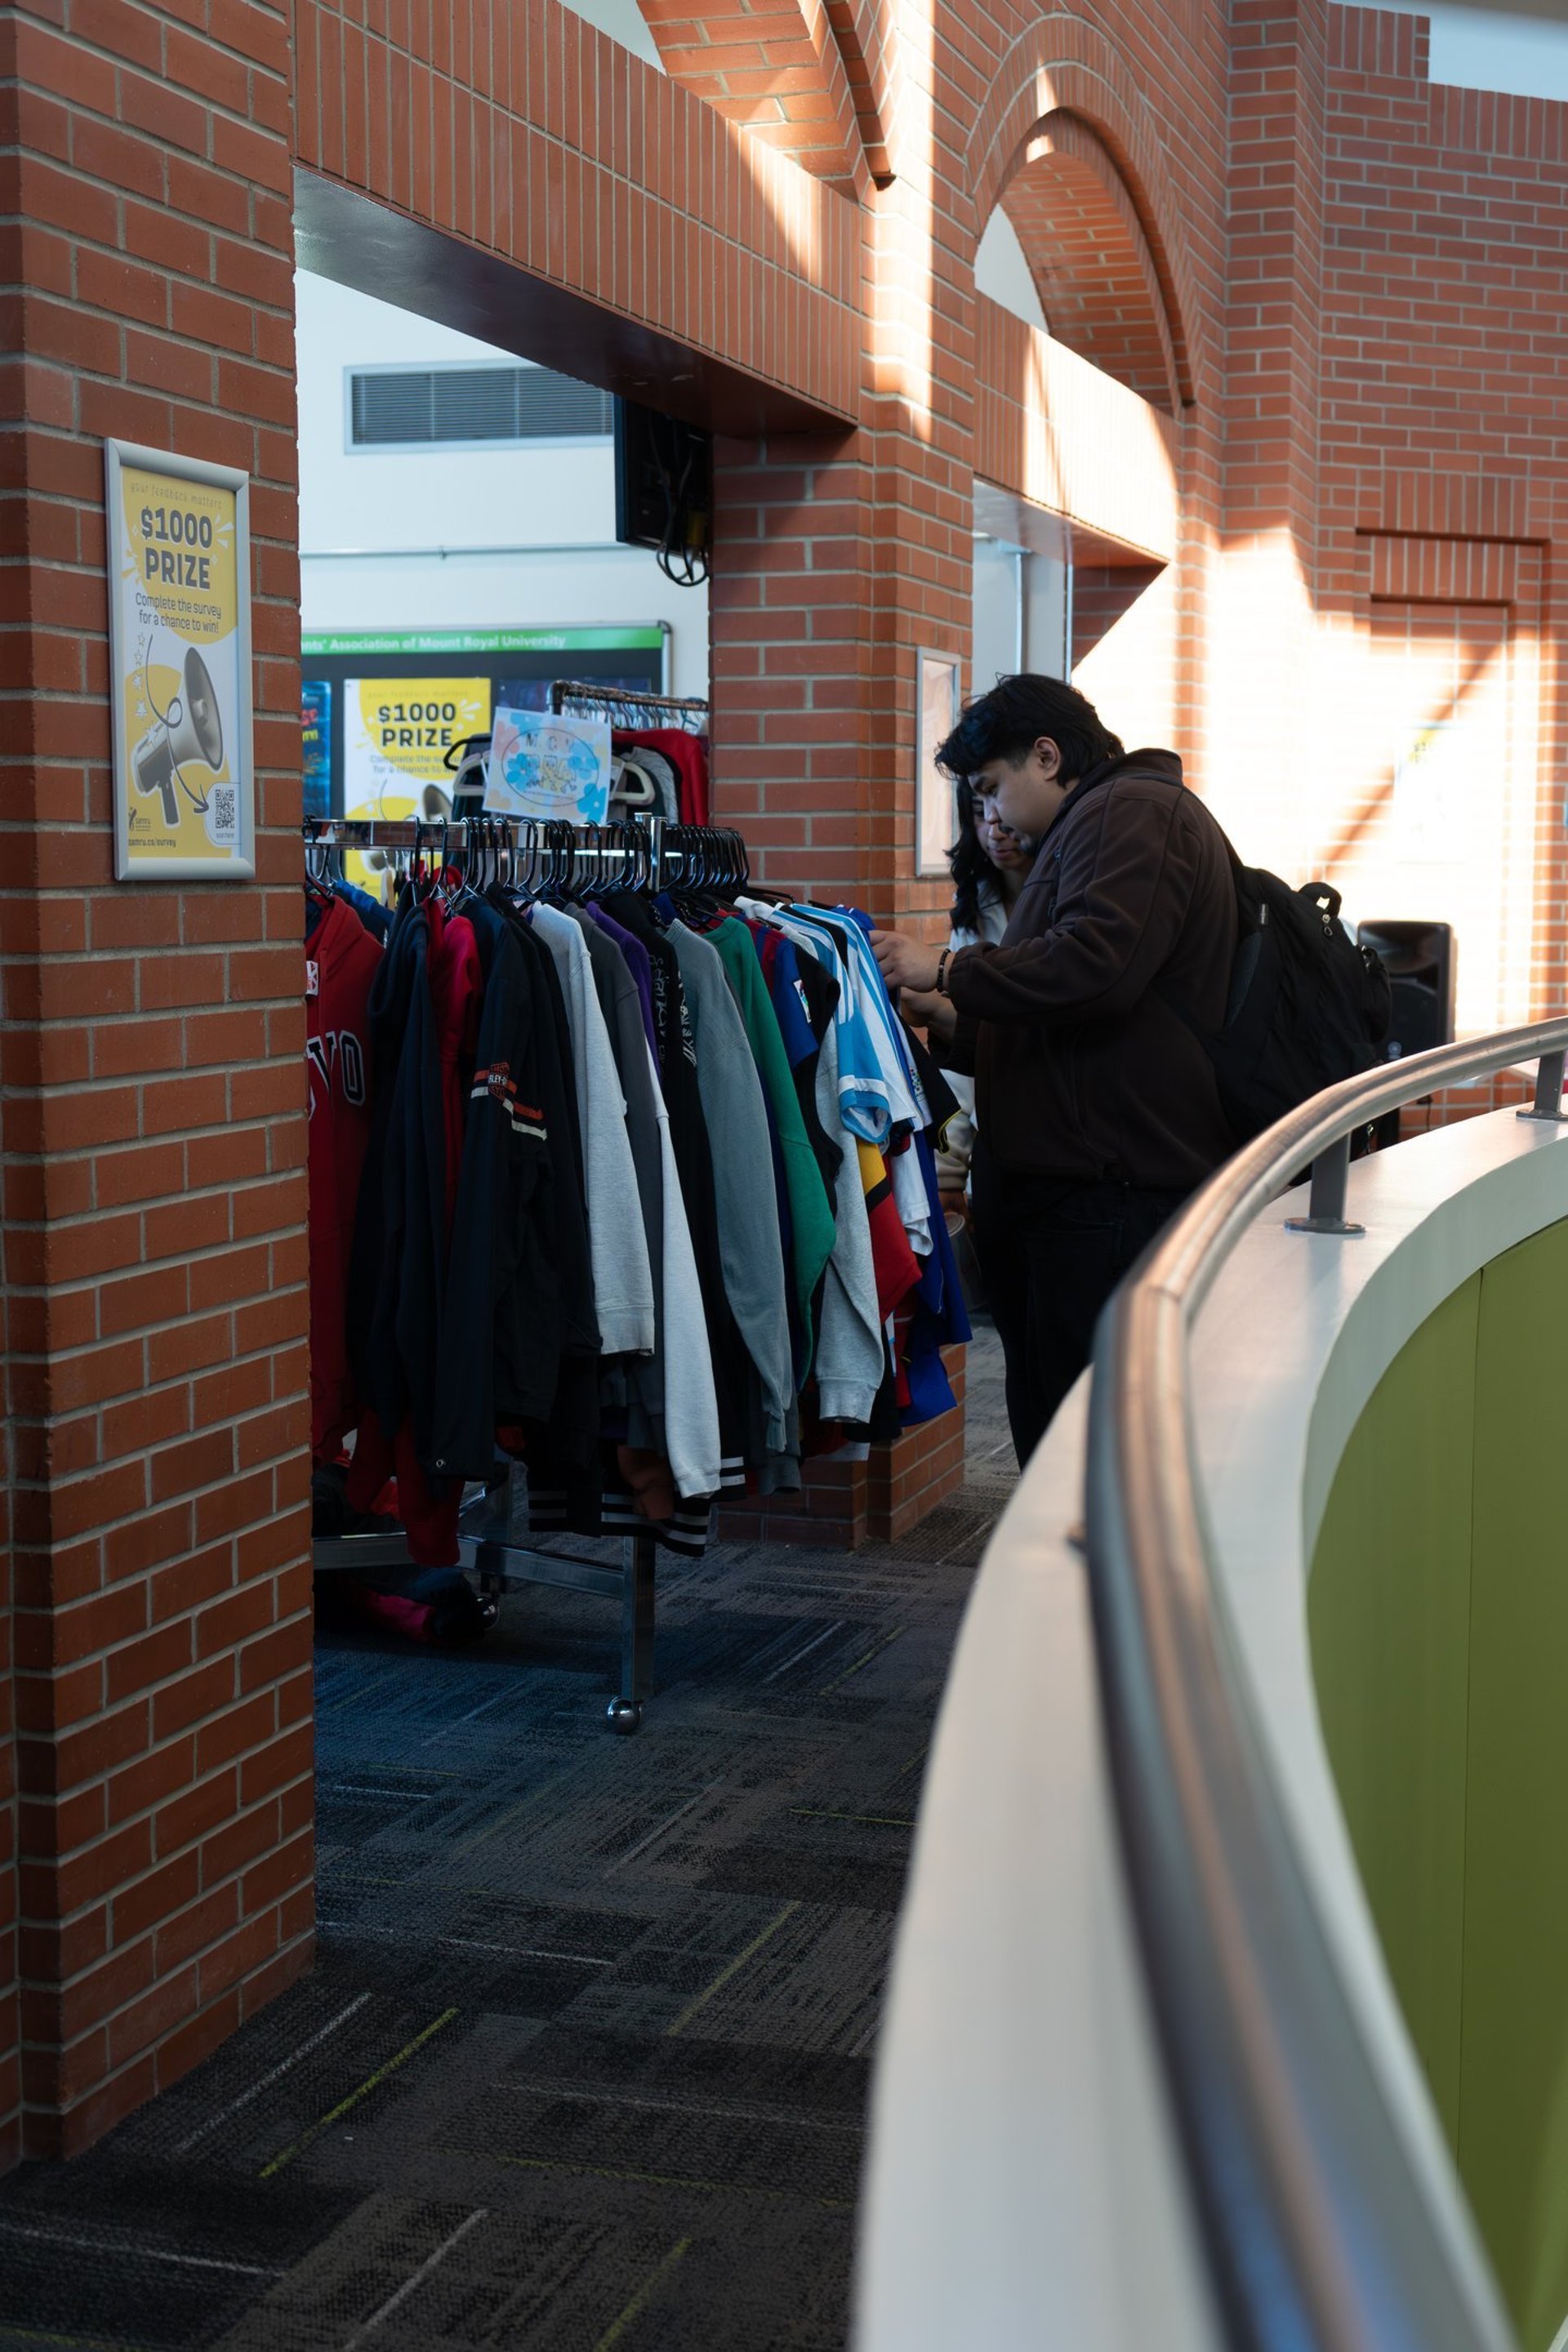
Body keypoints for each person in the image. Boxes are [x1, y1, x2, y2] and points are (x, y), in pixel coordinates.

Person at [872, 674, 1238, 1467]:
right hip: (1087, 1187)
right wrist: (950, 1018)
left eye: (992, 787)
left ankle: (1088, 1594)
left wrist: (946, 970)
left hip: (1106, 1194)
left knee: (1083, 1451)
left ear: (1046, 755)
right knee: (1063, 1438)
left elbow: (1095, 968)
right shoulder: (1100, 822)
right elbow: (1077, 1016)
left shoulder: (1131, 811)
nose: (992, 813)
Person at [935, 778, 1031, 1200]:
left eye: (1001, 809)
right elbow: (962, 1056)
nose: (994, 828)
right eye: (977, 812)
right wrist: (950, 1170)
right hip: (992, 1157)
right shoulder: (974, 905)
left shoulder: (1070, 896)